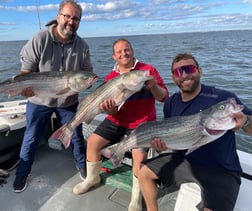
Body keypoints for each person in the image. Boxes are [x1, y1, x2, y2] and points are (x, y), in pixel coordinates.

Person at [137, 53, 252, 211]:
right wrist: (160, 146)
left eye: (189, 69)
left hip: (221, 170)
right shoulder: (171, 103)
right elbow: (173, 141)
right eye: (178, 72)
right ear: (173, 77)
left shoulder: (222, 98)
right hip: (184, 161)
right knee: (143, 173)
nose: (184, 75)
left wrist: (245, 121)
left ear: (200, 71)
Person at [72, 38, 169, 211]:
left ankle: (136, 197)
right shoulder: (111, 78)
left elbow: (163, 97)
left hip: (143, 123)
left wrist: (153, 86)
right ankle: (92, 179)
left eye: (127, 50)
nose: (124, 54)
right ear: (114, 57)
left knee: (138, 158)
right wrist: (109, 110)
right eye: (119, 52)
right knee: (93, 143)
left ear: (132, 51)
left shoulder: (148, 70)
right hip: (117, 120)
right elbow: (112, 111)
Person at [13, 0, 93, 193]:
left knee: (76, 134)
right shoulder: (40, 38)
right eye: (67, 16)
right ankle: (22, 173)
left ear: (79, 22)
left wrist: (82, 86)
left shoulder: (82, 46)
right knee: (31, 137)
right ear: (58, 17)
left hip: (68, 100)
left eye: (76, 19)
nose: (70, 22)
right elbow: (26, 73)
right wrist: (25, 87)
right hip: (39, 99)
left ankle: (81, 164)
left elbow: (88, 74)